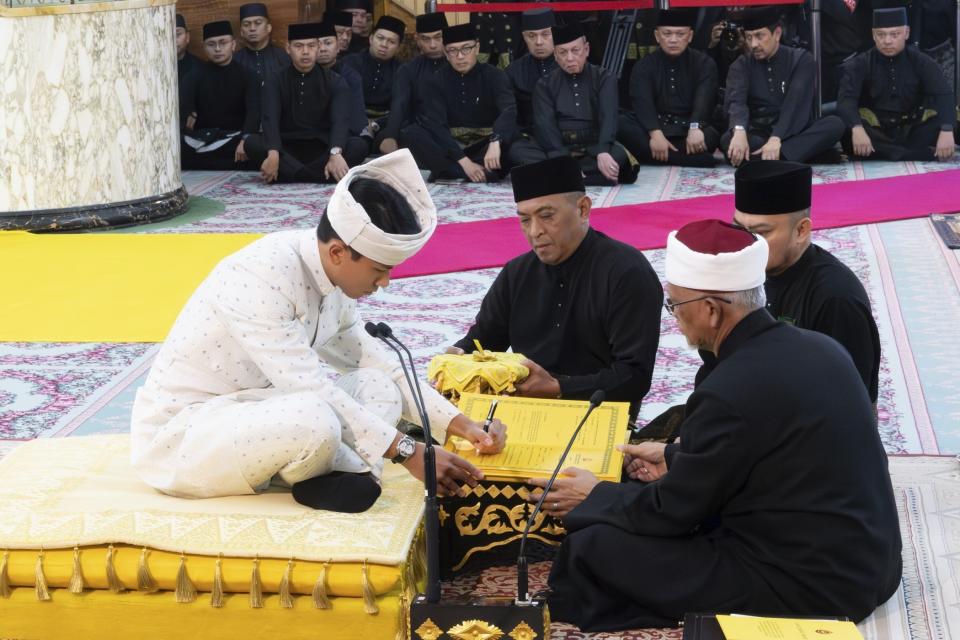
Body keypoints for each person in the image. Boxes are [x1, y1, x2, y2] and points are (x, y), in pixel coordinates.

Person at [532, 218, 901, 631]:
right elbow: (771, 451)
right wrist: (675, 456)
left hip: (810, 582)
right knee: (636, 498)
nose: (673, 317)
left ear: (710, 309)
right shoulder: (821, 347)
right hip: (874, 563)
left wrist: (596, 495)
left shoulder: (729, 387)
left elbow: (673, 513)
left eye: (674, 305)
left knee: (592, 547)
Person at [131, 150, 507, 511]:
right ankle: (347, 473)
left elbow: (378, 364)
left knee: (378, 387)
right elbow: (307, 387)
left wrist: (460, 424)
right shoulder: (260, 275)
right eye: (379, 271)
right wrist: (408, 451)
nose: (386, 283)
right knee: (314, 417)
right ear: (339, 253)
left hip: (260, 412)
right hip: (189, 434)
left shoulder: (333, 279)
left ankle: (348, 478)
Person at [451, 156, 662, 421]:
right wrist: (457, 357)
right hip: (523, 409)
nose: (535, 231)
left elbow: (634, 376)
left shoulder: (627, 273)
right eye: (525, 220)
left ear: (583, 209)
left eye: (547, 216)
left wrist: (558, 388)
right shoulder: (516, 273)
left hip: (597, 413)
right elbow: (483, 339)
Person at [510, 22, 638, 185]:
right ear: (555, 55)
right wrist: (563, 159)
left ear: (586, 49)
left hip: (593, 146)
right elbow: (545, 126)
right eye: (562, 52)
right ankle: (578, 173)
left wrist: (603, 150)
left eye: (575, 50)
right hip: (558, 146)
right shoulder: (545, 84)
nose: (569, 58)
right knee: (519, 151)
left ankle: (563, 176)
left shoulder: (604, 77)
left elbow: (609, 116)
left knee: (618, 156)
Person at [245, 23, 368, 184]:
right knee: (251, 143)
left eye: (311, 46)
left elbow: (340, 121)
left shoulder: (335, 81)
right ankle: (320, 176)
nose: (305, 52)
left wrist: (335, 153)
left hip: (322, 148)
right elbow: (269, 118)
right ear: (288, 48)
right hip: (285, 148)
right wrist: (273, 152)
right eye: (298, 46)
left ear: (318, 47)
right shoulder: (274, 80)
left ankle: (292, 175)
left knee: (359, 146)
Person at [722, 7, 845, 166]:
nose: (753, 44)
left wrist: (777, 137)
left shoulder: (801, 60)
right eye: (749, 37)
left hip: (793, 130)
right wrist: (739, 131)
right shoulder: (741, 65)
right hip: (758, 133)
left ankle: (761, 159)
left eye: (760, 36)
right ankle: (800, 155)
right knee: (728, 140)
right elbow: (736, 101)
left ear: (777, 34)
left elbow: (795, 102)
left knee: (835, 125)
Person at [401, 23, 519, 182]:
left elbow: (508, 110)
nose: (460, 56)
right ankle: (468, 171)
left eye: (466, 48)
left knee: (515, 140)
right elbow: (436, 124)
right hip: (451, 147)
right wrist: (464, 161)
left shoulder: (495, 76)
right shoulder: (435, 80)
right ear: (446, 53)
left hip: (485, 146)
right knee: (412, 133)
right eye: (453, 50)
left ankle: (449, 172)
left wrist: (496, 139)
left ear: (477, 48)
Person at [838, 7, 956, 162]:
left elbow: (943, 94)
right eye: (881, 35)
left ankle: (891, 153)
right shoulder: (860, 63)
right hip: (875, 131)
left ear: (906, 33)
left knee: (950, 120)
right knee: (844, 128)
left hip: (913, 129)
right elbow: (846, 100)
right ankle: (913, 154)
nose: (887, 41)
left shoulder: (921, 60)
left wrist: (947, 129)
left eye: (894, 34)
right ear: (874, 35)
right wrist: (857, 128)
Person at [618, 9, 720, 167]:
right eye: (667, 34)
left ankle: (657, 156)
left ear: (690, 36)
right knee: (621, 123)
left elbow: (704, 99)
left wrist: (695, 127)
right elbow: (642, 102)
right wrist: (655, 133)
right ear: (657, 36)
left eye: (680, 34)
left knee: (712, 135)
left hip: (689, 129)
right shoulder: (644, 65)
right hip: (655, 129)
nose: (673, 40)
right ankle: (686, 158)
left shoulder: (704, 63)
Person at [180, 21, 260, 170]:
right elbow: (183, 109)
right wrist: (189, 115)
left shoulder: (248, 75)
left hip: (234, 139)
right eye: (211, 44)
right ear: (204, 47)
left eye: (223, 43)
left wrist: (245, 140)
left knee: (256, 147)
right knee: (178, 145)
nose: (217, 49)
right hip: (203, 138)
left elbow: (254, 113)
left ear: (233, 45)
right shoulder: (194, 76)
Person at [379, 12, 450, 155]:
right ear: (417, 39)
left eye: (438, 37)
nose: (433, 45)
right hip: (422, 131)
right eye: (426, 39)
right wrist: (391, 135)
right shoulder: (408, 69)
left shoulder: (460, 63)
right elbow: (399, 103)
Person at [343, 16, 406, 151]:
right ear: (371, 39)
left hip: (386, 123)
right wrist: (364, 125)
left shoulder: (403, 70)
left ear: (398, 48)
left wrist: (377, 124)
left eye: (391, 41)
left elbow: (399, 106)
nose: (384, 44)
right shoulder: (351, 63)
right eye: (380, 38)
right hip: (354, 121)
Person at [505, 8, 557, 133]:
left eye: (545, 34)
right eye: (532, 36)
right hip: (530, 137)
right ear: (524, 37)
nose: (539, 42)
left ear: (556, 33)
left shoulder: (570, 64)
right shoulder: (513, 71)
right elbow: (508, 115)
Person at [233, 3, 291, 85]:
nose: (252, 28)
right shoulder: (235, 61)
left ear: (268, 28)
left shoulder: (283, 58)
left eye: (258, 23)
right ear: (241, 32)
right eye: (246, 24)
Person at [176, 14, 199, 79]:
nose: (173, 40)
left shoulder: (199, 69)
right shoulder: (152, 68)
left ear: (187, 37)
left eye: (177, 34)